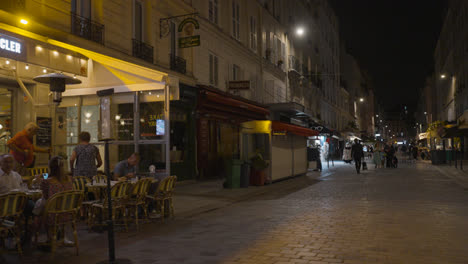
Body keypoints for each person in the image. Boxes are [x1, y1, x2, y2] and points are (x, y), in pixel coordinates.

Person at [33, 156, 74, 245]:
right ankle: (63, 236)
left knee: (38, 210)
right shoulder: (70, 179)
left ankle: (47, 237)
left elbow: (46, 196)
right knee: (42, 207)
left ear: (50, 167)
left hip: (53, 214)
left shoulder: (47, 181)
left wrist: (39, 180)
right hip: (69, 212)